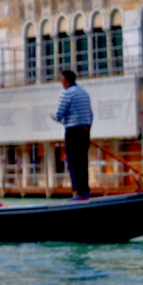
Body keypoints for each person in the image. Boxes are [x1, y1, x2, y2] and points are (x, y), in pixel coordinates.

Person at [51, 69, 93, 200]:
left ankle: (78, 192)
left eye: (60, 79)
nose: (60, 81)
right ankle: (85, 190)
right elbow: (90, 114)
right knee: (83, 161)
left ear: (65, 80)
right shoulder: (84, 93)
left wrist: (53, 116)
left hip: (73, 131)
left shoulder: (66, 94)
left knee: (73, 162)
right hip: (85, 130)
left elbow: (59, 115)